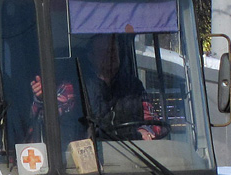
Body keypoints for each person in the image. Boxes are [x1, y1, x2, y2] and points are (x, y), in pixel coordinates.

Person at [32, 34, 164, 142]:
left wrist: (147, 130)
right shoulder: (73, 86)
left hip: (134, 161)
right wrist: (43, 100)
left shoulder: (134, 86)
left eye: (113, 51)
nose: (110, 56)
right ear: (91, 57)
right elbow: (48, 120)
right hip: (92, 161)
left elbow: (155, 122)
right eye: (103, 52)